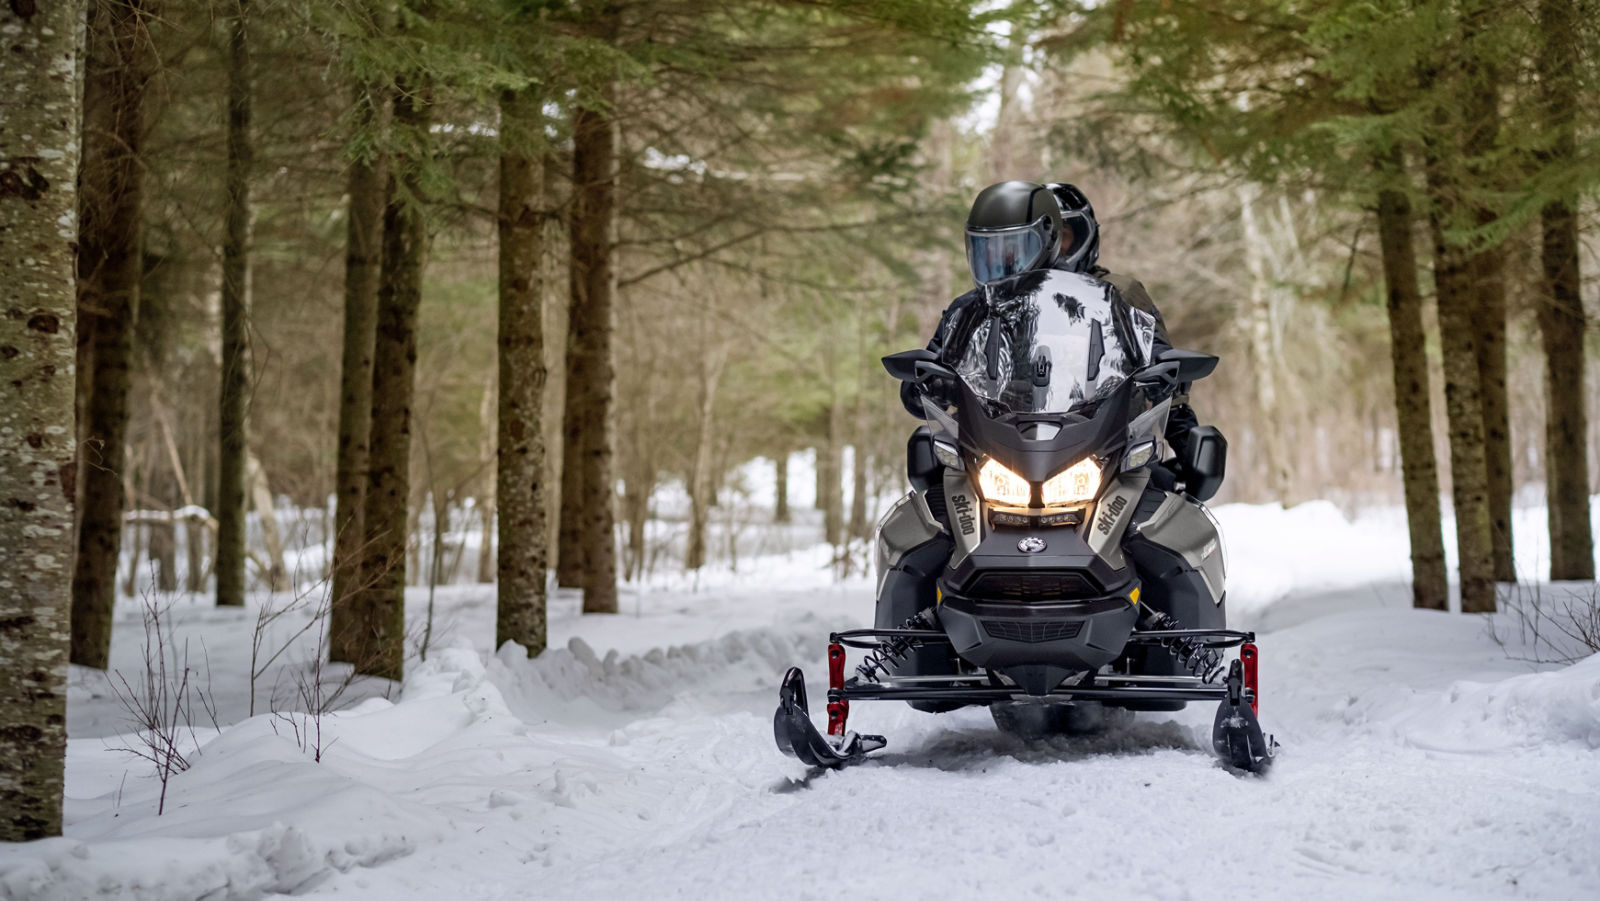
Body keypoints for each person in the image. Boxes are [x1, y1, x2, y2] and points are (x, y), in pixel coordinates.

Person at [903, 179, 1201, 489]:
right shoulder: (974, 307)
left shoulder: (1117, 297)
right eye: (995, 252)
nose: (1061, 253)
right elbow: (933, 363)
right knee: (929, 514)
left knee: (1166, 511)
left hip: (1104, 447)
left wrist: (1180, 427)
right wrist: (929, 383)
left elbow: (1164, 366)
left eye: (1068, 239)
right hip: (996, 450)